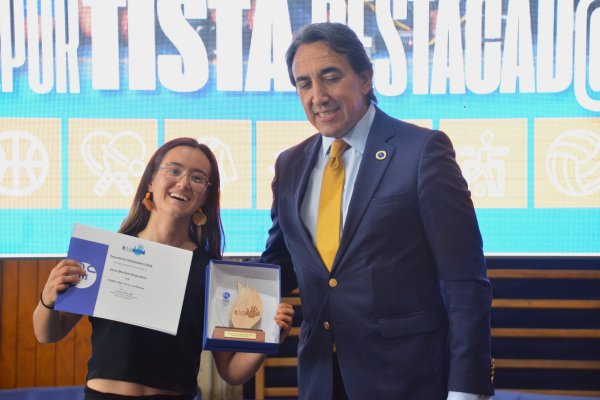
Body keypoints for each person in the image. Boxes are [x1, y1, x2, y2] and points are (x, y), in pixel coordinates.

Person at [257, 23, 494, 399]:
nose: (318, 96)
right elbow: (277, 268)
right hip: (321, 380)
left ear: (365, 78)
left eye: (330, 77)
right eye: (304, 83)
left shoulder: (422, 152)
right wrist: (199, 278)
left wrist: (467, 389)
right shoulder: (290, 165)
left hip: (407, 380)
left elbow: (465, 281)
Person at [33, 137, 294, 400]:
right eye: (174, 170)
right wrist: (48, 298)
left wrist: (269, 338)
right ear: (150, 181)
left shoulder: (212, 273)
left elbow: (231, 372)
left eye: (197, 177)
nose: (183, 183)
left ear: (205, 195)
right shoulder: (106, 252)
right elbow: (47, 334)